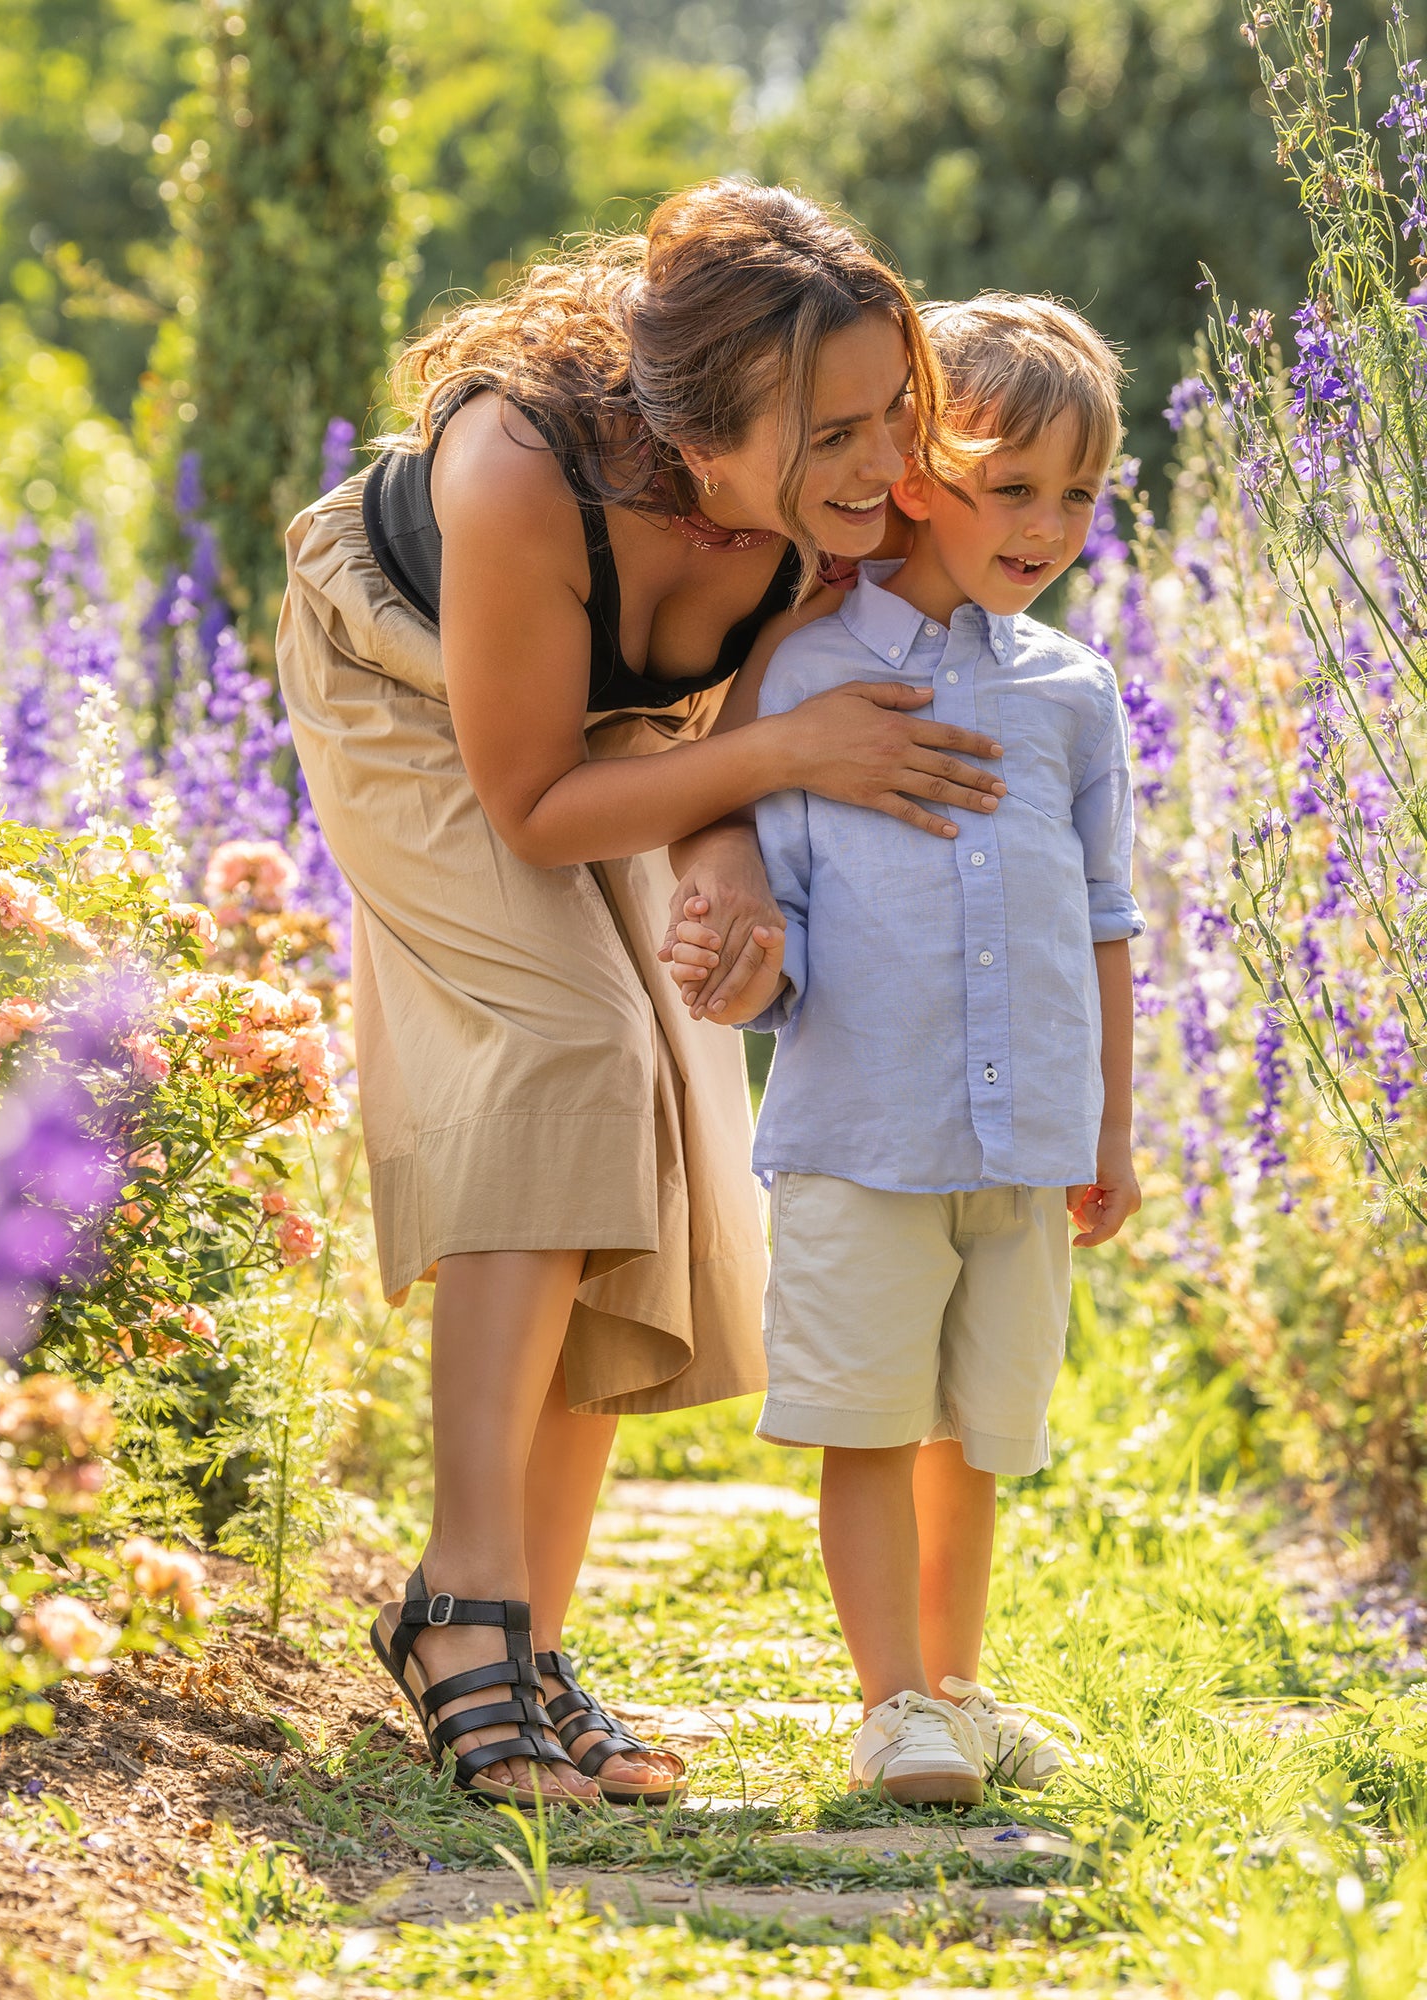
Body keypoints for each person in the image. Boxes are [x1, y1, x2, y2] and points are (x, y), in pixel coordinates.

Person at [275, 178, 1011, 1807]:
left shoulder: (844, 494)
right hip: (407, 673)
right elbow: (531, 798)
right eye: (835, 437)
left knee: (672, 1105)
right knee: (569, 1051)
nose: (891, 467)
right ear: (700, 428)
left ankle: (530, 1636)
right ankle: (457, 1603)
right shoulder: (519, 475)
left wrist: (733, 854)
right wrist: (786, 760)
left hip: (618, 732)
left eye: (898, 410)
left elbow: (720, 733)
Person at [669, 294, 1142, 1803]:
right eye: (1015, 486)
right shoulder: (807, 680)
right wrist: (738, 973)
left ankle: (955, 1687)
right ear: (915, 471)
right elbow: (774, 911)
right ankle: (889, 1705)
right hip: (866, 1132)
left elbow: (1108, 922)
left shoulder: (1075, 694)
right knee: (869, 1426)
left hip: (1025, 1139)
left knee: (979, 1435)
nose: (1050, 524)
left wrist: (1111, 1129)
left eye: (1080, 493)